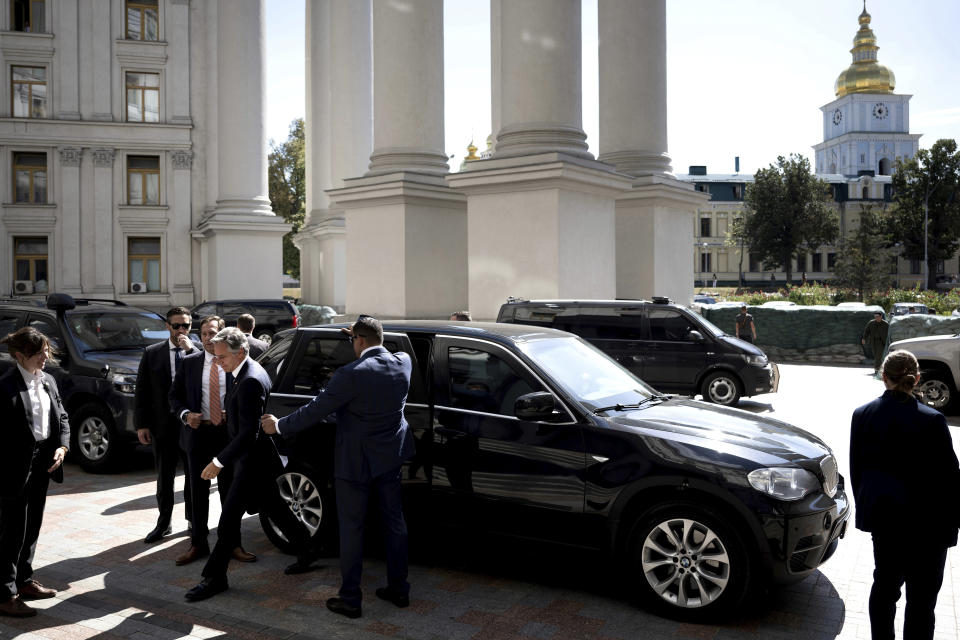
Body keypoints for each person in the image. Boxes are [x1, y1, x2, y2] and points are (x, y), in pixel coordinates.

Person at [261, 315, 415, 619]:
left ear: (357, 341)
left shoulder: (350, 374)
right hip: (389, 458)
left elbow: (314, 411)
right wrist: (360, 335)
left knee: (352, 529)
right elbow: (383, 344)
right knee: (394, 523)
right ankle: (399, 588)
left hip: (355, 464)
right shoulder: (403, 362)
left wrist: (279, 426)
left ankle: (351, 599)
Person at [185, 328, 315, 602]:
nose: (218, 363)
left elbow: (248, 433)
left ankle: (215, 577)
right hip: (255, 460)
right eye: (216, 358)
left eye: (222, 358)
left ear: (240, 352)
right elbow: (247, 419)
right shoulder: (246, 371)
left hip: (252, 462)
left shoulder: (250, 380)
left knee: (228, 520)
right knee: (275, 508)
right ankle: (308, 548)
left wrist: (218, 462)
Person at [850, 350, 959, 640]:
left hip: (886, 523)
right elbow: (950, 478)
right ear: (917, 378)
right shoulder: (934, 420)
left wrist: (867, 513)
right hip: (929, 528)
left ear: (883, 377)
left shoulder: (862, 415)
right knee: (922, 602)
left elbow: (858, 470)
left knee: (885, 590)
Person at [169, 316, 255, 566]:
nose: (208, 338)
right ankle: (198, 543)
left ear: (222, 335)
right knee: (198, 492)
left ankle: (233, 543)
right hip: (199, 434)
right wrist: (186, 415)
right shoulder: (190, 363)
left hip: (228, 436)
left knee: (231, 491)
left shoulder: (234, 363)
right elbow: (174, 397)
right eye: (204, 333)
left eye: (213, 333)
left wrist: (234, 413)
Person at [0, 328, 70, 617]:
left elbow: (62, 417)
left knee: (33, 526)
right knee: (10, 532)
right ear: (20, 356)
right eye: (39, 353)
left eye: (46, 351)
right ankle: (4, 594)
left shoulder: (49, 380)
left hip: (43, 462)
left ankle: (24, 581)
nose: (45, 357)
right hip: (13, 468)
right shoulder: (5, 387)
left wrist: (62, 448)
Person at [135, 307, 197, 543]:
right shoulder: (152, 353)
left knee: (193, 475)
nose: (181, 330)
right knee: (165, 477)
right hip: (163, 425)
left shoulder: (197, 351)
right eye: (176, 326)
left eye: (186, 326)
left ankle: (193, 520)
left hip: (191, 425)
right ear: (167, 327)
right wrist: (141, 424)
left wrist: (190, 350)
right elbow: (142, 390)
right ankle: (164, 523)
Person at [861, 312, 889, 377]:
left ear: (881, 317)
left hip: (881, 342)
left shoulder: (885, 324)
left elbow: (889, 333)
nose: (876, 318)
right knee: (875, 355)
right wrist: (864, 338)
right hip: (873, 342)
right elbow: (867, 331)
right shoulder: (871, 323)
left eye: (878, 316)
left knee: (878, 356)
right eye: (875, 317)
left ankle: (877, 369)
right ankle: (879, 368)